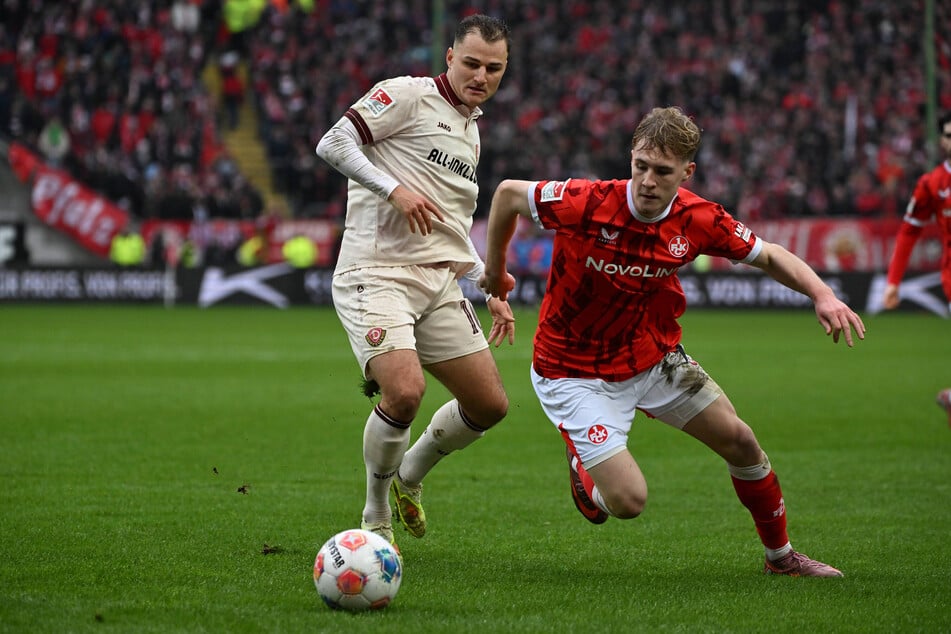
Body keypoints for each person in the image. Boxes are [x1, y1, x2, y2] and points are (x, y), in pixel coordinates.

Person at [480, 106, 866, 577]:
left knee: (742, 442)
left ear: (687, 172)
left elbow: (768, 255)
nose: (646, 180)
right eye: (640, 166)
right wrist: (496, 272)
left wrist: (822, 294)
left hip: (653, 357)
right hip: (573, 370)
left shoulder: (699, 219)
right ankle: (585, 474)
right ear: (631, 159)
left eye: (662, 171)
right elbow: (506, 196)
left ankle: (781, 559)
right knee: (625, 502)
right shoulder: (585, 201)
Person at [314, 14, 516, 545]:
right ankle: (375, 513)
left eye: (494, 68)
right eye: (471, 63)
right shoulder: (406, 95)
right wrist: (392, 190)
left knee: (490, 405)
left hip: (437, 283)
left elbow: (447, 228)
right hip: (375, 271)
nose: (481, 75)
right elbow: (333, 144)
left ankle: (409, 477)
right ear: (449, 57)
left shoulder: (471, 130)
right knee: (405, 392)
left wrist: (487, 282)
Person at [882, 111, 951, 315]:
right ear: (942, 141)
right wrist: (893, 281)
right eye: (949, 136)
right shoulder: (932, 184)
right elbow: (909, 231)